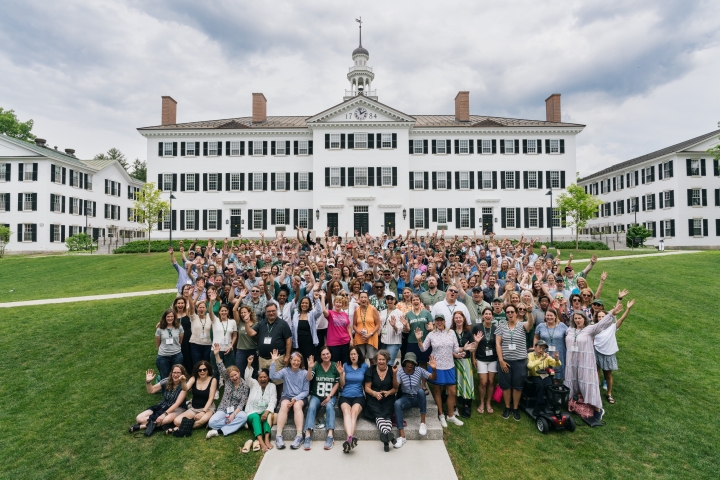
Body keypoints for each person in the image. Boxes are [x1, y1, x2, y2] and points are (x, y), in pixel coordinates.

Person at [564, 299, 624, 421]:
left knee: (587, 382)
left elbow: (602, 324)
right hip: (572, 362)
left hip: (585, 362)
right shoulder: (569, 330)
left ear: (584, 319)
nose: (577, 320)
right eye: (575, 318)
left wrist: (612, 313)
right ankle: (572, 401)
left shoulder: (590, 329)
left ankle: (597, 408)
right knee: (573, 381)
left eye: (579, 318)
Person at [416, 313, 464, 427]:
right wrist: (419, 340)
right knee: (437, 391)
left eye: (441, 320)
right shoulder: (431, 334)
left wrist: (464, 348)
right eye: (437, 320)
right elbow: (423, 349)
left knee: (452, 392)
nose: (439, 322)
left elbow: (456, 348)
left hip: (449, 365)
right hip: (436, 366)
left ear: (444, 321)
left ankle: (451, 416)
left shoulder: (451, 332)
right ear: (434, 322)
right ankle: (441, 415)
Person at [495, 304, 534, 421]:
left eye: (512, 312)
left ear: (516, 313)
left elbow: (530, 324)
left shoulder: (522, 325)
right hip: (505, 361)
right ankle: (507, 407)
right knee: (506, 386)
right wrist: (501, 360)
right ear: (506, 314)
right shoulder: (501, 326)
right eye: (508, 312)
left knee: (518, 386)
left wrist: (530, 312)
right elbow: (498, 344)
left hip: (520, 361)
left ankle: (515, 408)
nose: (510, 314)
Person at [246, 303, 293, 399]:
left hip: (277, 358)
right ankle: (266, 401)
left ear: (277, 311)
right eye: (269, 311)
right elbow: (251, 333)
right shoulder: (262, 323)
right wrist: (247, 322)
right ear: (266, 313)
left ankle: (279, 401)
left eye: (273, 311)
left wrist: (287, 356)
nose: (271, 313)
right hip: (262, 358)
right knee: (264, 380)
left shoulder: (283, 324)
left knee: (278, 381)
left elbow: (288, 340)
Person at [393, 353, 437, 448]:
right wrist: (394, 374)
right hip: (406, 398)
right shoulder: (400, 372)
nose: (410, 364)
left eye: (412, 362)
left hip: (418, 397)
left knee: (421, 391)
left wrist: (433, 369)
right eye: (408, 362)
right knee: (397, 404)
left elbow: (433, 378)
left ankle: (423, 423)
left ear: (415, 363)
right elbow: (395, 387)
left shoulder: (419, 370)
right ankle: (402, 436)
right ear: (404, 362)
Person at [595, 298, 635, 405]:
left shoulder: (612, 327)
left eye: (602, 316)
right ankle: (596, 392)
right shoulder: (595, 327)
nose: (600, 318)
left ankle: (609, 394)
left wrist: (628, 309)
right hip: (596, 352)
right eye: (599, 317)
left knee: (608, 375)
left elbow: (620, 319)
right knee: (596, 373)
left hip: (608, 353)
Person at [206, 343, 250, 439]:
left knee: (243, 417)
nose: (234, 378)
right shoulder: (227, 380)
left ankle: (218, 431)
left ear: (239, 372)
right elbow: (221, 367)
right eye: (231, 376)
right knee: (211, 422)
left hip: (236, 411)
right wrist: (217, 354)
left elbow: (241, 403)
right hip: (223, 409)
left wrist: (233, 415)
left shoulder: (245, 386)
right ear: (228, 377)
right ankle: (237, 424)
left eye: (235, 375)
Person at [270, 350, 310, 450]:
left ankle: (299, 436)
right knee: (283, 406)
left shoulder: (305, 373)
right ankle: (278, 436)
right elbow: (273, 377)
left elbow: (306, 391)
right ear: (290, 360)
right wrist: (273, 362)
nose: (296, 363)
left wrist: (295, 399)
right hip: (287, 396)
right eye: (294, 360)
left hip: (300, 397)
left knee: (297, 406)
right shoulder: (285, 371)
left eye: (298, 361)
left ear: (301, 362)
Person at [129, 366, 188, 433]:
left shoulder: (184, 384)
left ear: (182, 374)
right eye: (174, 372)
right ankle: (158, 424)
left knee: (166, 419)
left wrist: (164, 414)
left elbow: (177, 403)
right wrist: (148, 382)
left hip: (178, 408)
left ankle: (141, 426)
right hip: (163, 405)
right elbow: (151, 391)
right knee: (139, 418)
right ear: (171, 373)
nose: (176, 375)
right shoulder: (166, 381)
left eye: (178, 373)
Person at [303, 348, 340, 450]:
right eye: (323, 354)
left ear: (331, 354)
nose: (326, 356)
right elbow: (309, 378)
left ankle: (330, 435)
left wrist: (330, 396)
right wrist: (310, 368)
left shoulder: (335, 366)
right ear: (320, 356)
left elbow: (337, 383)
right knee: (311, 407)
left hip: (329, 396)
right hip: (316, 395)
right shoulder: (316, 365)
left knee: (329, 406)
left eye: (327, 354)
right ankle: (307, 435)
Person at [363, 350, 399, 452]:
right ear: (376, 360)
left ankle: (386, 437)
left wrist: (388, 392)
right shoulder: (371, 370)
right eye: (379, 359)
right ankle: (389, 435)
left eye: (383, 359)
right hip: (373, 399)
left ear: (387, 360)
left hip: (388, 398)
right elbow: (367, 388)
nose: (381, 361)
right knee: (379, 414)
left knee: (387, 415)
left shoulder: (392, 370)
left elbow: (395, 388)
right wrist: (375, 393)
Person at [169, 360, 217, 433]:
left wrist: (203, 412)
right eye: (200, 370)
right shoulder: (194, 378)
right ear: (197, 371)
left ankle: (177, 429)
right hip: (194, 408)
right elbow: (185, 388)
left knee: (202, 420)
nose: (202, 372)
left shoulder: (213, 380)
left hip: (207, 408)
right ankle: (197, 423)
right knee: (176, 421)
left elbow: (211, 398)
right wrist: (183, 381)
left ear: (208, 370)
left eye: (204, 369)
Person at [244, 357, 277, 453]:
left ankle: (267, 439)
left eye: (265, 377)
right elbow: (247, 378)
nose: (262, 379)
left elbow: (273, 400)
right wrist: (249, 364)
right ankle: (261, 442)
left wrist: (266, 412)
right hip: (252, 411)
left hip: (264, 411)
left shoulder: (272, 386)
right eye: (260, 377)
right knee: (255, 417)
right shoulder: (253, 384)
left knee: (267, 416)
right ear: (257, 378)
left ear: (268, 378)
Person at [338, 346, 368, 453]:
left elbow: (367, 383)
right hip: (345, 395)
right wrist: (341, 374)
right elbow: (342, 385)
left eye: (355, 354)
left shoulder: (364, 366)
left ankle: (349, 440)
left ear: (358, 355)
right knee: (346, 412)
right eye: (351, 354)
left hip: (359, 396)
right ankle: (350, 438)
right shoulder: (345, 366)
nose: (353, 356)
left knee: (353, 414)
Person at [451, 311, 480, 418]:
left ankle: (467, 406)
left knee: (466, 383)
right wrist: (455, 355)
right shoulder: (451, 332)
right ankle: (454, 407)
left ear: (463, 319)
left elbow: (472, 349)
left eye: (460, 317)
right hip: (453, 362)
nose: (458, 319)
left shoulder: (468, 332)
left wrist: (476, 342)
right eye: (456, 318)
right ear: (453, 320)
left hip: (466, 362)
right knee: (454, 383)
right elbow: (448, 347)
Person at [403, 294, 434, 392]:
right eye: (414, 300)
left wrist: (430, 328)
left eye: (417, 300)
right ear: (411, 302)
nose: (416, 302)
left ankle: (423, 385)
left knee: (423, 363)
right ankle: (412, 385)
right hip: (412, 342)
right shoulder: (408, 314)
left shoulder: (426, 313)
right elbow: (407, 330)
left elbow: (431, 325)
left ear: (420, 302)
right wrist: (405, 325)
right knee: (411, 363)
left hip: (424, 342)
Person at [472, 307, 497, 414]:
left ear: (492, 316)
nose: (487, 316)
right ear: (482, 316)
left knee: (491, 382)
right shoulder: (477, 327)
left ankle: (488, 402)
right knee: (483, 382)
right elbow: (474, 344)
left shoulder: (496, 328)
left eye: (489, 314)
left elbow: (498, 345)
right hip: (481, 358)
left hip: (493, 359)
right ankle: (481, 402)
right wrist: (473, 358)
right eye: (486, 314)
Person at [526, 340, 562, 416]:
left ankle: (552, 404)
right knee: (540, 385)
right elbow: (529, 366)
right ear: (535, 347)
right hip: (534, 375)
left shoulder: (546, 356)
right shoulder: (530, 355)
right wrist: (540, 360)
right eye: (540, 348)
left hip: (544, 375)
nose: (541, 350)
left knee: (550, 385)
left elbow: (557, 364)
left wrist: (556, 359)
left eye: (543, 349)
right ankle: (539, 404)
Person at [534, 308, 568, 383]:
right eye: (547, 315)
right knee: (545, 374)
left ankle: (555, 390)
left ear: (555, 316)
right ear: (545, 316)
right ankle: (546, 391)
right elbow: (536, 337)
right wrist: (535, 348)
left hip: (559, 353)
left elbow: (568, 336)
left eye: (551, 315)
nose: (549, 317)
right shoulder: (541, 326)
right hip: (545, 353)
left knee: (557, 375)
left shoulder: (562, 326)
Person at [290, 292, 322, 363]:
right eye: (302, 303)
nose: (304, 304)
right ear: (300, 304)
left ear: (309, 305)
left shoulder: (312, 314)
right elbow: (292, 329)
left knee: (309, 362)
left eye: (306, 303)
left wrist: (316, 299)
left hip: (309, 343)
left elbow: (319, 311)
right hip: (298, 343)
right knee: (299, 362)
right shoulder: (296, 314)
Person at [322, 290, 353, 363]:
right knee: (334, 363)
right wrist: (323, 297)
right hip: (333, 344)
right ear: (334, 303)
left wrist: (351, 339)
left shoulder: (345, 314)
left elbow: (348, 327)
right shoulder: (330, 313)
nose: (338, 304)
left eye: (340, 302)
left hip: (345, 342)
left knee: (344, 362)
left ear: (342, 304)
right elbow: (323, 310)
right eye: (337, 302)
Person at [155, 309, 184, 380]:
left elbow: (180, 340)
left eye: (172, 316)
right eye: (168, 316)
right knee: (165, 377)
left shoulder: (179, 327)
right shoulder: (160, 329)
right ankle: (166, 390)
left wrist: (175, 347)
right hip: (163, 356)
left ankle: (176, 390)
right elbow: (158, 343)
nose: (170, 318)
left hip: (177, 355)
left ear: (174, 317)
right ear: (165, 317)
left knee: (177, 376)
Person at [353, 291, 380, 364]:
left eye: (365, 297)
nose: (363, 299)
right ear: (359, 299)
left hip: (371, 337)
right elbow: (354, 325)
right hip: (360, 336)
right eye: (361, 297)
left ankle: (373, 374)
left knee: (372, 359)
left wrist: (370, 334)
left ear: (368, 299)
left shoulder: (373, 309)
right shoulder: (356, 310)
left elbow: (378, 324)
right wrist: (358, 331)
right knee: (361, 359)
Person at [233, 302, 259, 379]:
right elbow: (234, 309)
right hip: (241, 350)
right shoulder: (239, 322)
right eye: (241, 313)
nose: (243, 314)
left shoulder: (256, 324)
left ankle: (252, 388)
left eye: (245, 312)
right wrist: (240, 297)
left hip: (252, 350)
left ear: (249, 313)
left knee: (252, 371)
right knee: (240, 370)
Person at [187, 296, 213, 367]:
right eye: (200, 307)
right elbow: (191, 307)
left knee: (206, 364)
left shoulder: (209, 317)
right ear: (197, 309)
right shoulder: (194, 317)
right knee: (196, 364)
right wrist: (190, 296)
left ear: (206, 309)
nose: (201, 309)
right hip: (195, 345)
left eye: (203, 307)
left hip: (207, 345)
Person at [379, 291, 403, 365]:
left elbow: (400, 329)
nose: (389, 300)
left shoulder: (399, 313)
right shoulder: (382, 312)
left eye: (391, 299)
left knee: (389, 363)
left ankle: (391, 376)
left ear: (395, 300)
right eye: (388, 298)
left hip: (394, 342)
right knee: (382, 363)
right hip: (383, 341)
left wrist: (394, 326)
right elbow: (380, 326)